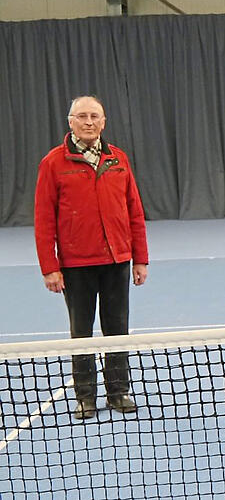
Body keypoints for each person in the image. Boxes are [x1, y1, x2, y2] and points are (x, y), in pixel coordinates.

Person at [34, 96, 149, 420]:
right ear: (70, 122)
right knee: (80, 333)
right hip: (75, 266)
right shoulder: (53, 163)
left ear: (104, 121)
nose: (88, 122)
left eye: (94, 116)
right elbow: (44, 220)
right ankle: (85, 396)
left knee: (117, 329)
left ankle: (119, 391)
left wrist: (139, 258)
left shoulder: (119, 159)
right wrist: (50, 268)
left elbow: (134, 213)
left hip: (117, 262)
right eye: (81, 116)